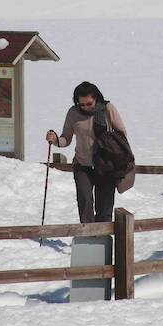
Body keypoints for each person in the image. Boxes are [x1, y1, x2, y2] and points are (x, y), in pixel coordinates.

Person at [46, 82, 129, 223]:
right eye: (81, 104)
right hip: (82, 165)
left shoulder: (108, 109)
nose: (85, 107)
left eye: (89, 103)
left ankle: (103, 238)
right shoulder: (73, 113)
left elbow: (122, 134)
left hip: (105, 165)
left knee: (104, 206)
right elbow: (66, 138)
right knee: (85, 202)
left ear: (96, 98)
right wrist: (55, 140)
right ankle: (88, 238)